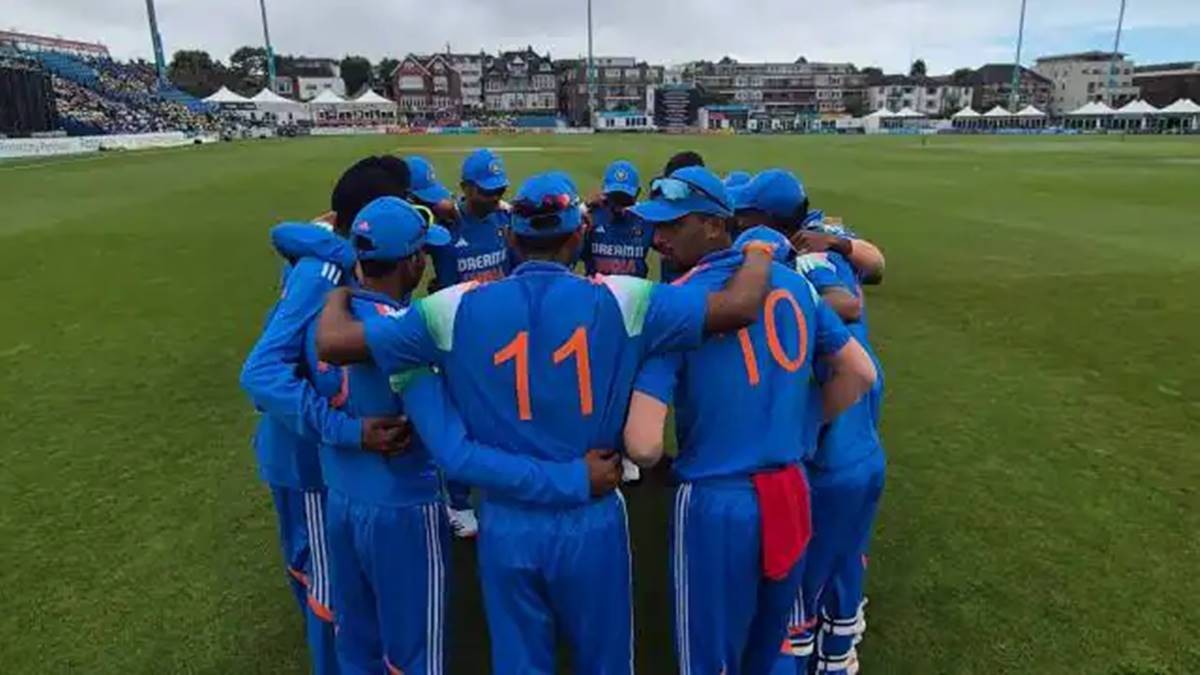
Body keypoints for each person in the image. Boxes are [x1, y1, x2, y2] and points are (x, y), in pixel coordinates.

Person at [316, 171, 776, 675]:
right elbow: (738, 307)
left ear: (512, 240)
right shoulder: (625, 297)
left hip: (506, 521)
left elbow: (334, 343)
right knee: (605, 663)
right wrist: (758, 251)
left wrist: (339, 291)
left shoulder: (451, 307)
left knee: (520, 662)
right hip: (592, 514)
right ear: (578, 237)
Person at [298, 196, 623, 675]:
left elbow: (293, 368)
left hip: (341, 499)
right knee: (415, 655)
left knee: (356, 641)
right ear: (413, 261)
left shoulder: (328, 320)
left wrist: (334, 298)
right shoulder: (412, 331)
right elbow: (455, 453)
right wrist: (573, 478)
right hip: (404, 504)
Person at [622, 167, 878, 675]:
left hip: (715, 498)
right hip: (790, 487)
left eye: (674, 224)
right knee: (775, 642)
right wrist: (806, 427)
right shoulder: (797, 284)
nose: (659, 237)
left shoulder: (679, 301)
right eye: (657, 225)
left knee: (711, 655)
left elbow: (643, 444)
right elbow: (860, 372)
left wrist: (656, 464)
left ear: (716, 225)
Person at [240, 156, 413, 675]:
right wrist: (346, 430)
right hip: (306, 460)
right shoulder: (324, 274)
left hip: (317, 457)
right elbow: (260, 373)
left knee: (332, 581)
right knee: (329, 587)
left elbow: (285, 233)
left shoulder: (338, 260)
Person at [423, 147, 515, 537]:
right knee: (459, 423)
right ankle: (458, 502)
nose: (493, 198)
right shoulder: (445, 227)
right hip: (456, 340)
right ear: (464, 188)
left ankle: (497, 486)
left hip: (501, 335)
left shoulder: (505, 220)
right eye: (485, 191)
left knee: (501, 416)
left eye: (499, 190)